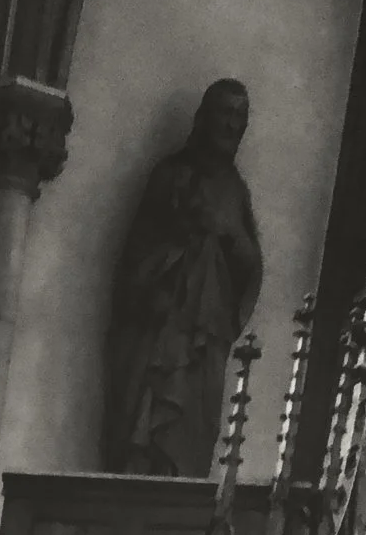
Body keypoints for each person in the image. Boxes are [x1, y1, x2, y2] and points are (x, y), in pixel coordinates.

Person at [103, 78, 264, 478]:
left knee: (188, 448)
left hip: (204, 345)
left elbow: (250, 269)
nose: (231, 125)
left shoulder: (235, 193)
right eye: (225, 113)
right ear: (203, 118)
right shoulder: (169, 176)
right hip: (159, 335)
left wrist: (228, 233)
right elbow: (138, 256)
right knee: (141, 433)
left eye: (240, 117)